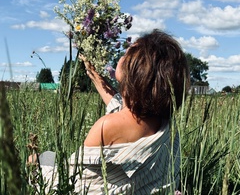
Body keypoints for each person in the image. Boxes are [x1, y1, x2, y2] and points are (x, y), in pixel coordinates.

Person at [28, 29, 190, 194]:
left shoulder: (108, 126)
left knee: (44, 156)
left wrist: (36, 165)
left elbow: (74, 179)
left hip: (77, 187)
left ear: (135, 71)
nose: (122, 56)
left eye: (128, 54)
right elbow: (117, 101)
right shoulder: (167, 124)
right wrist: (92, 72)